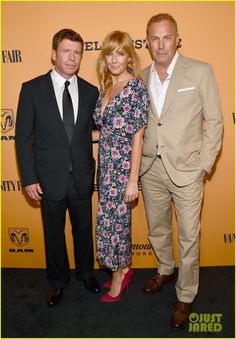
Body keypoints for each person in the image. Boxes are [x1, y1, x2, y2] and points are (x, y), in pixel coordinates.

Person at [140, 14, 223, 329]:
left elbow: (214, 121)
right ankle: (164, 269)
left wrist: (204, 164)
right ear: (147, 42)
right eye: (154, 38)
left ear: (177, 39)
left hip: (188, 170)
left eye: (166, 37)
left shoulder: (200, 72)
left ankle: (186, 295)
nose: (161, 44)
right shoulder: (141, 75)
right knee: (157, 228)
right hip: (151, 170)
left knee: (189, 237)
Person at [15, 28, 101, 308]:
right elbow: (23, 138)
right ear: (54, 54)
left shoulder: (90, 91)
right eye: (66, 51)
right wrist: (28, 178)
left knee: (83, 232)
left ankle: (87, 273)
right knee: (53, 234)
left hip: (81, 176)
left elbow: (95, 130)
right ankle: (57, 283)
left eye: (77, 52)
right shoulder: (32, 89)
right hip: (47, 178)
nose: (72, 57)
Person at [92, 31, 150, 302]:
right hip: (105, 170)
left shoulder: (135, 88)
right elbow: (104, 131)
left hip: (123, 170)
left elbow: (137, 137)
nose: (114, 59)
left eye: (121, 53)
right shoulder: (106, 87)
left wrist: (132, 179)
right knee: (108, 224)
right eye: (110, 53)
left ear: (129, 57)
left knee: (117, 226)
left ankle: (120, 274)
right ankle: (122, 268)